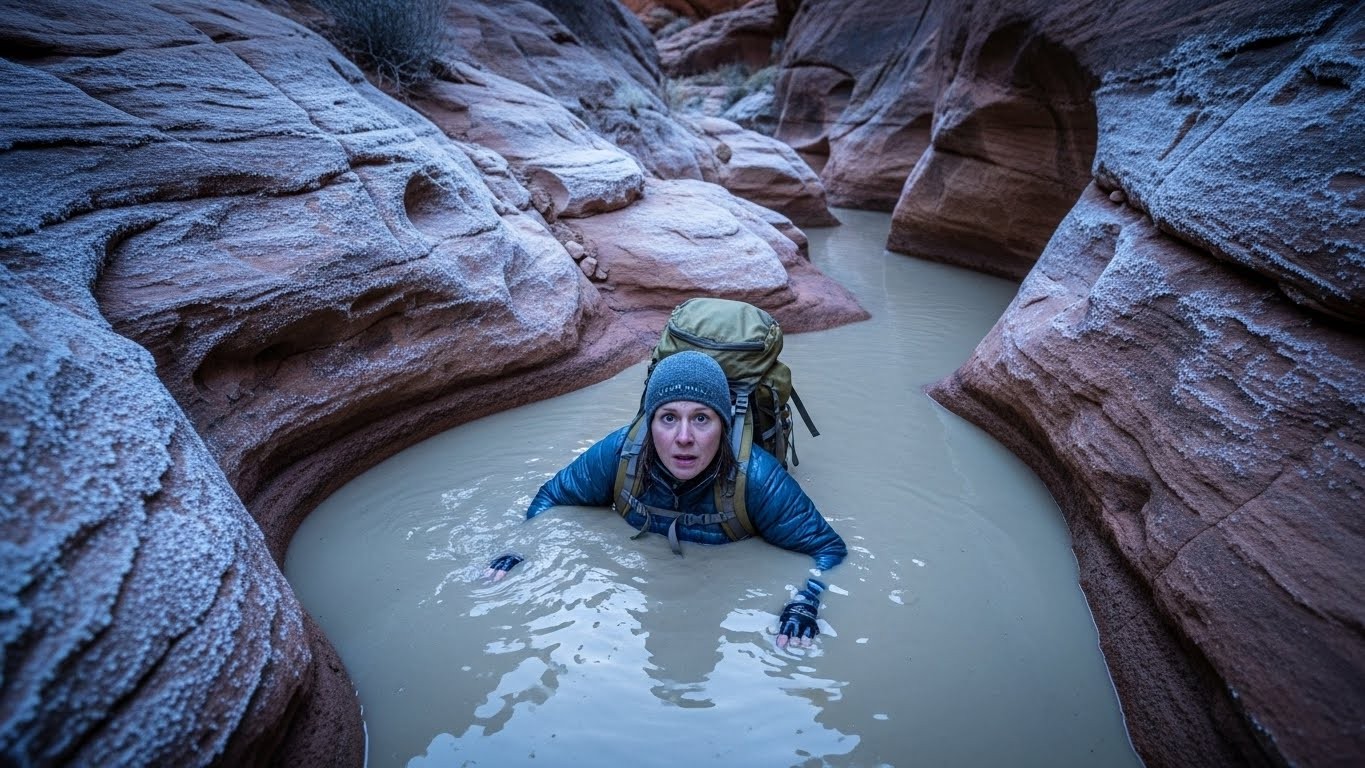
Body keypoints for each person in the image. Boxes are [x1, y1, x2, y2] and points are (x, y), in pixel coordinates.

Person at [485, 350, 846, 649]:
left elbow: (828, 550)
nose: (684, 437)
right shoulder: (618, 455)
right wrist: (523, 548)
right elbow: (552, 497)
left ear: (724, 426)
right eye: (669, 417)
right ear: (649, 421)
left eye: (701, 418)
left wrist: (806, 601)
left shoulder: (757, 479)